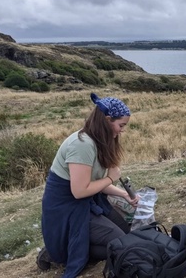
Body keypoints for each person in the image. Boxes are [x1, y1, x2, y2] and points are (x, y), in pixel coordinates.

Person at [37, 93, 139, 278]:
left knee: (126, 233)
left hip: (85, 201)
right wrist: (110, 178)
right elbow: (79, 191)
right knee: (119, 243)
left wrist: (123, 194)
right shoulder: (82, 144)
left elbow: (93, 184)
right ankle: (56, 252)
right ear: (107, 120)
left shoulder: (102, 141)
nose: (122, 130)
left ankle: (71, 245)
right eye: (121, 125)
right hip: (66, 207)